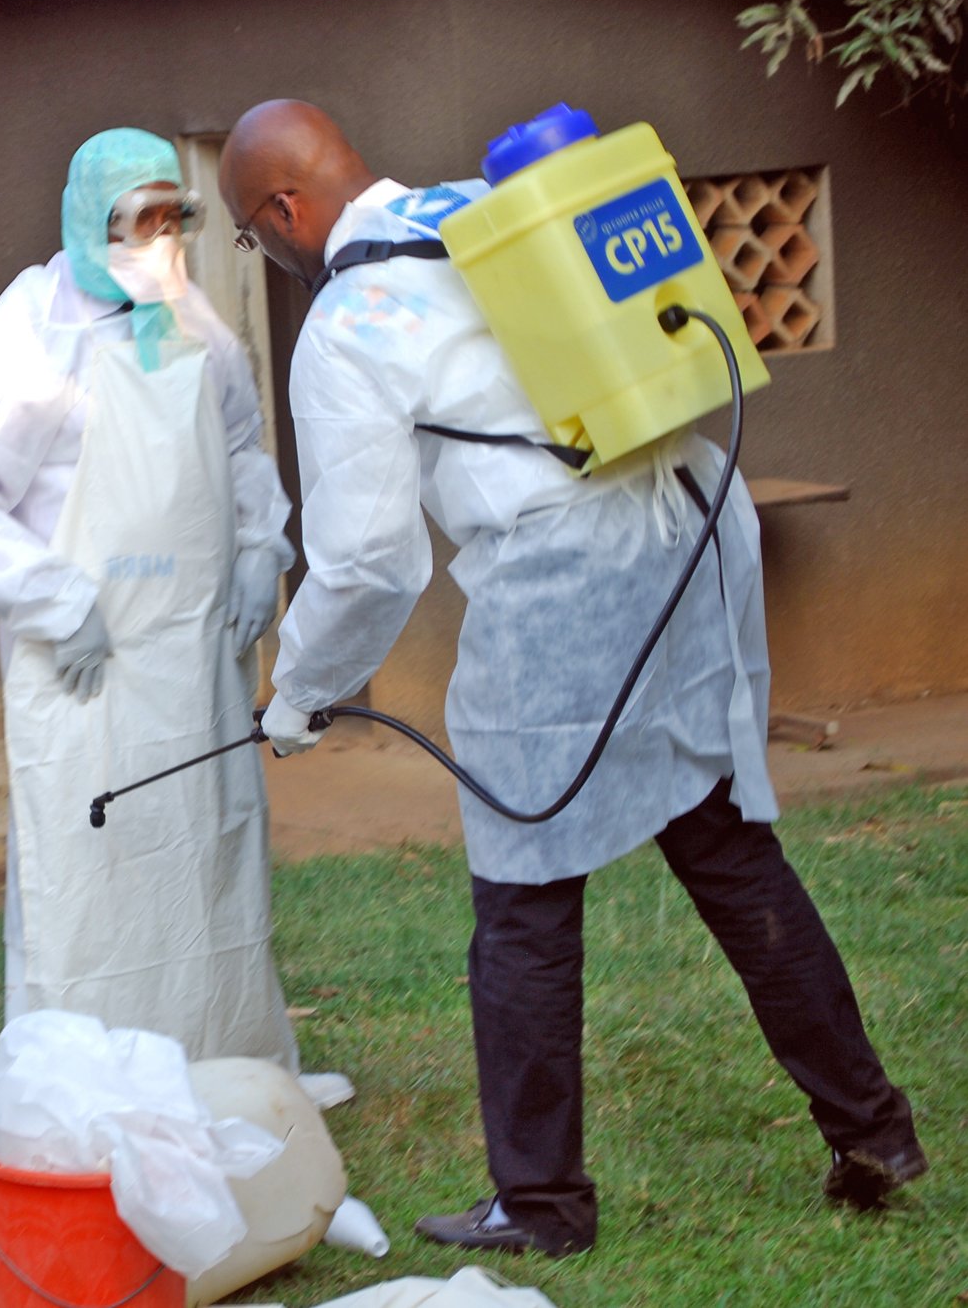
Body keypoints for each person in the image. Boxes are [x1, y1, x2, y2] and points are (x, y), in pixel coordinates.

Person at [217, 100, 924, 1254]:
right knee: (724, 846)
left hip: (566, 578)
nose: (274, 256)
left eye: (256, 236)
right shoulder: (481, 207)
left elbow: (365, 563)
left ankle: (540, 1204)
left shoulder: (347, 322)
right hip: (692, 519)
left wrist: (298, 693)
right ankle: (872, 1128)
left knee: (522, 899)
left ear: (285, 210)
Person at [0, 128, 344, 1094]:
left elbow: (240, 450)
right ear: (89, 220)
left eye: (173, 216)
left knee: (208, 861)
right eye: (139, 220)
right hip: (88, 671)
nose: (161, 239)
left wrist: (258, 553)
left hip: (195, 661)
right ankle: (90, 1088)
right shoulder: (25, 340)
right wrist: (56, 602)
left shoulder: (189, 321)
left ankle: (228, 1065)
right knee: (92, 873)